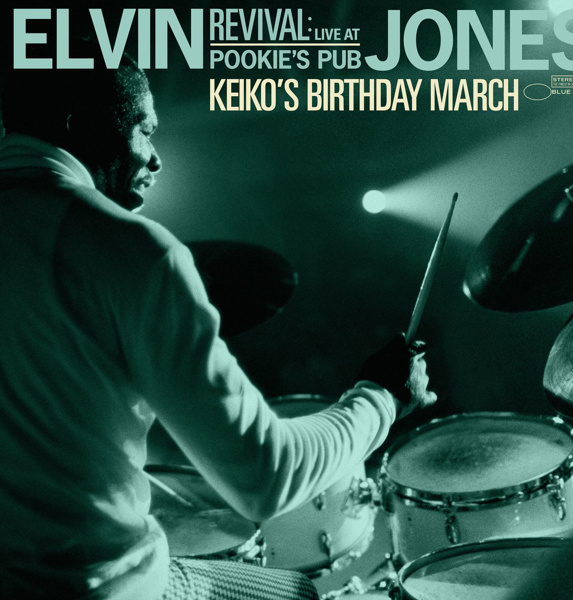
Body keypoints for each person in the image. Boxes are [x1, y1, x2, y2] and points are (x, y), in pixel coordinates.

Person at [0, 41, 436, 600]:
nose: (155, 159)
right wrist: (380, 398)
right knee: (296, 593)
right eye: (144, 130)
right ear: (78, 124)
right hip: (96, 589)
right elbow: (266, 476)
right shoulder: (132, 251)